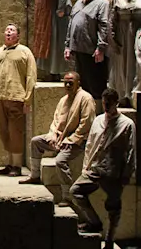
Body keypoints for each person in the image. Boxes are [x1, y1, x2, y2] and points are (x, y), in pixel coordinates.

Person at [69, 87, 136, 249]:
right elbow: (90, 144)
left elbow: (131, 150)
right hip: (95, 168)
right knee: (76, 191)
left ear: (116, 103)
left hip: (113, 172)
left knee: (114, 207)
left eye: (109, 104)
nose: (106, 107)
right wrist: (85, 166)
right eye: (105, 103)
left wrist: (127, 174)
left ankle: (109, 240)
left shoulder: (127, 124)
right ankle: (94, 222)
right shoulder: (98, 120)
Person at [20, 72, 94, 205]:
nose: (67, 85)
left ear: (78, 83)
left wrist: (70, 140)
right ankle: (35, 175)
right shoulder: (63, 100)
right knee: (36, 142)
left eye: (71, 83)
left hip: (77, 142)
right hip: (59, 139)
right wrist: (53, 135)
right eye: (65, 83)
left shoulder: (86, 98)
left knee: (60, 161)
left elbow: (86, 123)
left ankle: (67, 196)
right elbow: (56, 120)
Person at [0, 23, 37, 177]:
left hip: (16, 97)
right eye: (7, 30)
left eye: (12, 30)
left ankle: (17, 165)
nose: (8, 32)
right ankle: (9, 164)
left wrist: (28, 99)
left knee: (16, 132)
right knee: (4, 132)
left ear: (18, 35)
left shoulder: (25, 52)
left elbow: (31, 75)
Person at [64, 0, 111, 99]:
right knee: (81, 85)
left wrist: (101, 48)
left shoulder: (102, 4)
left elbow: (104, 26)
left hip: (93, 53)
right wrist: (68, 46)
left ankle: (97, 109)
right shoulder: (79, 2)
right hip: (78, 51)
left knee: (95, 85)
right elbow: (71, 24)